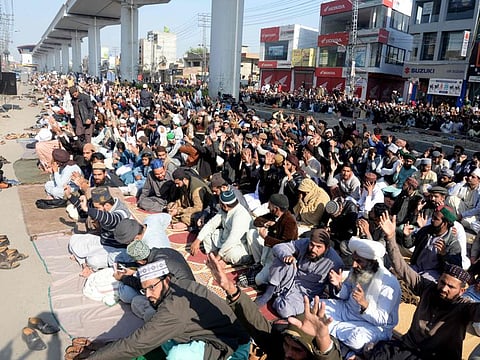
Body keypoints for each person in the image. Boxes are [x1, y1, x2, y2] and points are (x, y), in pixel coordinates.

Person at [86, 259, 251, 360]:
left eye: (152, 287)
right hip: (212, 333)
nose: (149, 294)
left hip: (232, 348)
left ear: (166, 279)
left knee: (177, 356)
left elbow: (135, 344)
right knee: (152, 319)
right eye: (145, 289)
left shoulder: (174, 307)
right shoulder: (180, 285)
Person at [373, 212, 480, 360]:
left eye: (451, 287)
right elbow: (402, 269)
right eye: (442, 282)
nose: (444, 288)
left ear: (462, 291)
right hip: (409, 347)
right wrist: (391, 238)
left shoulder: (464, 308)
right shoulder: (428, 288)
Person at [206, 253, 343, 360]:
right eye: (287, 345)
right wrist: (230, 288)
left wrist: (323, 340)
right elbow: (256, 321)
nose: (288, 353)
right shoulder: (281, 349)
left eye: (297, 350)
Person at [325, 238, 401, 357]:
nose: (354, 265)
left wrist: (364, 303)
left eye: (359, 261)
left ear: (372, 262)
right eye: (354, 260)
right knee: (317, 305)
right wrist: (339, 285)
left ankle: (328, 330)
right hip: (348, 312)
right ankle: (333, 332)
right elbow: (346, 294)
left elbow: (381, 320)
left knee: (356, 339)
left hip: (373, 325)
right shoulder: (357, 269)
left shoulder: (389, 283)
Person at [256, 229, 344, 318]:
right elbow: (279, 247)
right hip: (290, 279)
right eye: (312, 245)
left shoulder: (335, 262)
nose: (313, 249)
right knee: (282, 260)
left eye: (318, 247)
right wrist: (286, 255)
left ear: (327, 247)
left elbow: (334, 296)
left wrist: (337, 286)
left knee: (285, 311)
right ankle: (268, 294)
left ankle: (276, 295)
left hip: (304, 293)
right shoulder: (304, 243)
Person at [66, 186, 132, 277]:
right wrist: (70, 196)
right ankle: (83, 262)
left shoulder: (121, 212)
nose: (95, 210)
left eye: (97, 208)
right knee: (74, 239)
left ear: (106, 206)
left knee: (93, 261)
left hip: (118, 249)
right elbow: (85, 209)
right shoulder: (101, 207)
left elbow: (110, 219)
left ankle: (86, 263)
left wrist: (88, 210)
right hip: (104, 241)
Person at [114, 238, 195, 310]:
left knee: (133, 299)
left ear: (140, 261)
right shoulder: (166, 250)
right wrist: (135, 272)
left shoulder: (155, 266)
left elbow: (141, 285)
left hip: (181, 301)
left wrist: (123, 277)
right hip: (194, 290)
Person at [190, 190, 253, 266]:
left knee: (232, 255)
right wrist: (197, 240)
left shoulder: (240, 215)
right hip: (224, 238)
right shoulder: (224, 210)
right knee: (206, 232)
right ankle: (216, 254)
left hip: (239, 244)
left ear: (225, 205)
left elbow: (232, 239)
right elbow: (211, 224)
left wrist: (218, 257)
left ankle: (224, 258)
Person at [400, 205, 462, 281]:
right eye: (433, 217)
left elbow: (455, 270)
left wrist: (444, 255)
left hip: (433, 274)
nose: (432, 220)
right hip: (416, 267)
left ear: (445, 223)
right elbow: (409, 244)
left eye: (436, 219)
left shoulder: (453, 244)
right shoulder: (426, 230)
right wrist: (407, 235)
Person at [249, 194, 299, 285]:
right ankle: (259, 263)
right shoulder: (273, 215)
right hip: (268, 251)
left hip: (277, 257)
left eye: (270, 205)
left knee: (259, 280)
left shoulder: (290, 222)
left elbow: (286, 245)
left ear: (276, 208)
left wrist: (265, 237)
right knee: (251, 233)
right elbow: (256, 221)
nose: (268, 207)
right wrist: (266, 223)